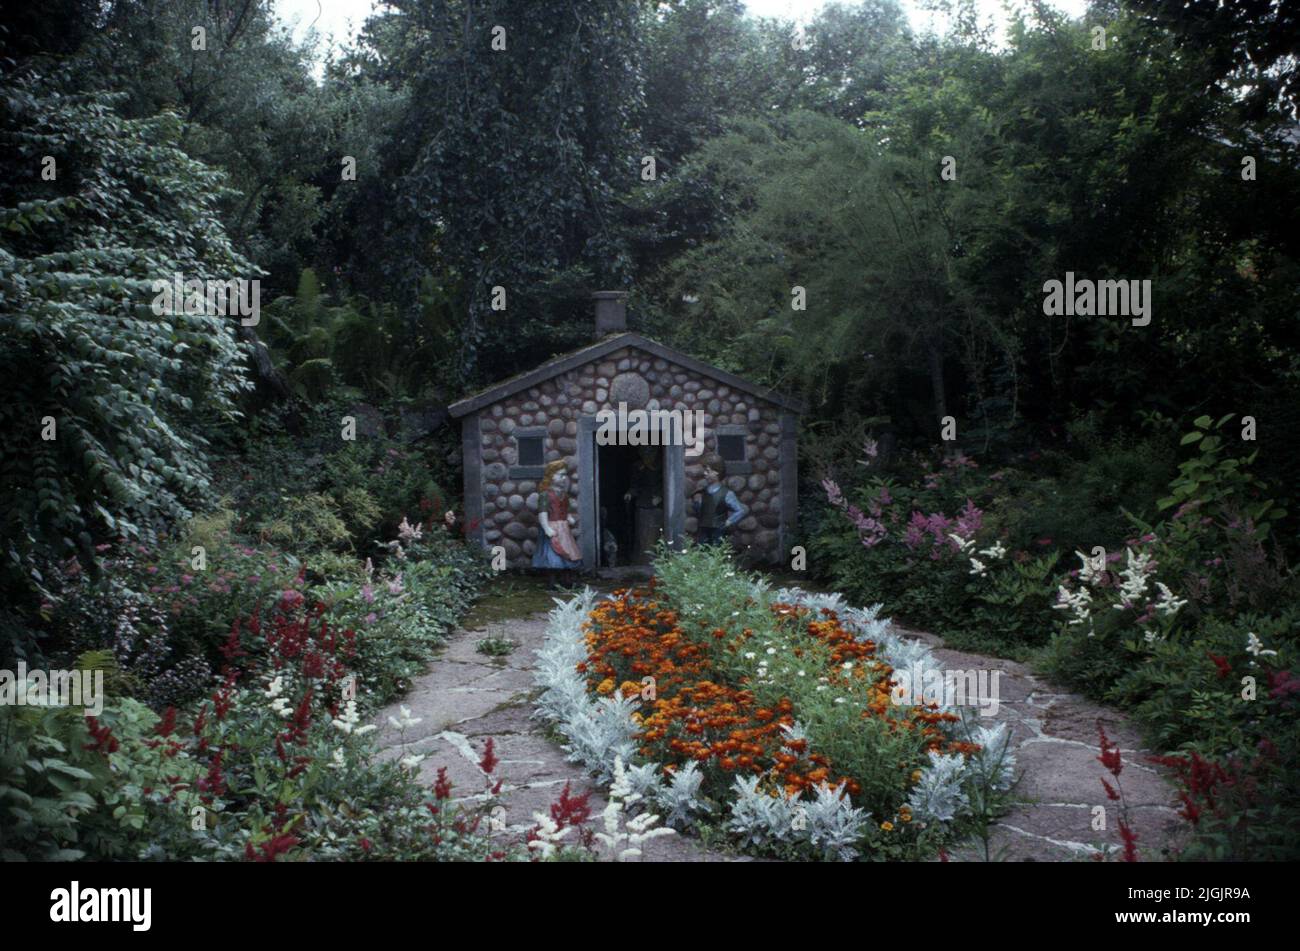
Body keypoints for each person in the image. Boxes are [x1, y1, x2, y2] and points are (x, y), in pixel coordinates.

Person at [533, 460, 582, 572]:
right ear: (551, 476)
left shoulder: (563, 494)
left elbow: (564, 508)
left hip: (563, 529)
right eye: (561, 475)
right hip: (552, 527)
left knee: (568, 550)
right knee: (553, 552)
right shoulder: (545, 495)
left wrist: (569, 517)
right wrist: (546, 528)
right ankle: (552, 580)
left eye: (565, 475)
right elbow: (542, 513)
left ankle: (566, 579)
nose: (564, 478)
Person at [692, 453, 747, 546]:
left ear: (716, 472)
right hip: (703, 530)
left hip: (718, 531)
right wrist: (697, 503)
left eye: (708, 471)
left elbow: (740, 510)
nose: (705, 473)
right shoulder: (703, 492)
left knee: (716, 553)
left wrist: (728, 522)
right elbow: (701, 512)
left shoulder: (726, 494)